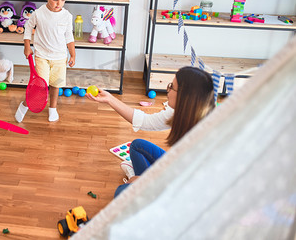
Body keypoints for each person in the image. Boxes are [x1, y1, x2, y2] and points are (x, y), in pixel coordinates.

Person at [86, 66, 215, 196]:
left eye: (172, 87)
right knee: (137, 146)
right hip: (174, 169)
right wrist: (110, 99)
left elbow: (183, 187)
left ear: (184, 96)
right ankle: (138, 180)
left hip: (182, 190)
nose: (168, 89)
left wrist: (145, 182)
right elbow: (144, 121)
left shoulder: (200, 138)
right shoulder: (179, 113)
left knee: (121, 193)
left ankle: (139, 182)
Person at [15, 0, 76, 122]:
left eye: (63, 0)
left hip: (60, 58)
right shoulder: (39, 13)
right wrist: (27, 46)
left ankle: (53, 108)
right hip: (42, 56)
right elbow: (28, 27)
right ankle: (24, 105)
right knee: (39, 87)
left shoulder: (67, 16)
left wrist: (72, 54)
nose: (59, 3)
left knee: (56, 85)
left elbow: (69, 36)